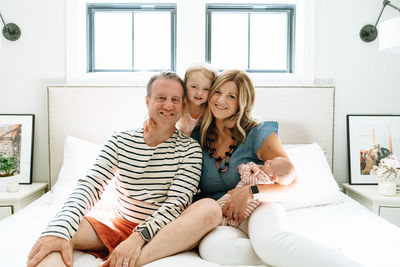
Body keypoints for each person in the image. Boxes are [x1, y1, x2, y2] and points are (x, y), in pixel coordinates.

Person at [27, 71, 222, 267]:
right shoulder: (120, 140)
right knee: (58, 231)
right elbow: (91, 185)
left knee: (210, 208)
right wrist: (59, 231)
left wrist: (137, 239)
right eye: (161, 98)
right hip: (119, 224)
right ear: (148, 101)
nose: (168, 105)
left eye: (175, 100)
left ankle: (124, 262)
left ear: (182, 105)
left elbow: (176, 204)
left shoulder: (190, 149)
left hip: (164, 232)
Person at [193, 70, 360, 267]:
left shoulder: (257, 132)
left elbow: (293, 183)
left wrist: (250, 191)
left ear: (242, 102)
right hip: (222, 215)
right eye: (217, 92)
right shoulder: (197, 136)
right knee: (215, 250)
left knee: (268, 243)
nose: (221, 100)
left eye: (232, 96)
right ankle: (310, 252)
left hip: (259, 205)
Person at [218, 157, 296, 227]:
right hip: (239, 205)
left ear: (272, 178)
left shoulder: (263, 178)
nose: (267, 160)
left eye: (270, 164)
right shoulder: (264, 176)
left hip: (238, 204)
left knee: (222, 208)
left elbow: (246, 179)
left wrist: (245, 168)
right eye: (270, 160)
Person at [177, 64, 217, 136]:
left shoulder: (210, 110)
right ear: (185, 85)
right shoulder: (179, 107)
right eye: (194, 87)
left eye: (206, 89)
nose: (199, 93)